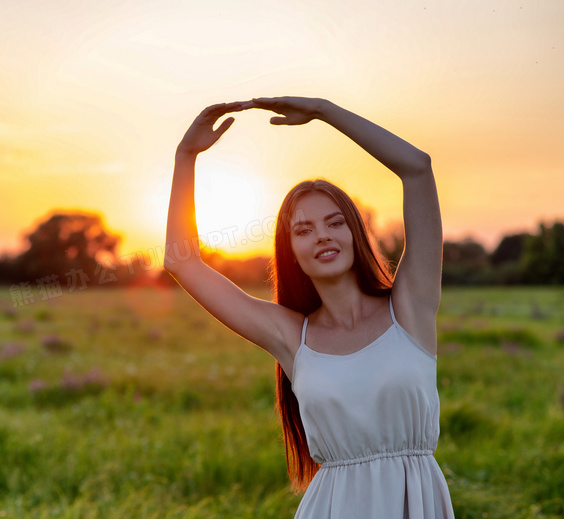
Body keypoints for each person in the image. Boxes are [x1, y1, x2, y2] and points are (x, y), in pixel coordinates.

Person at [163, 97, 455, 518]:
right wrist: (185, 155)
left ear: (355, 233)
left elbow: (418, 168)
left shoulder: (410, 307)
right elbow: (181, 261)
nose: (322, 235)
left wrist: (324, 111)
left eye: (335, 222)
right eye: (304, 229)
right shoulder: (291, 337)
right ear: (291, 252)